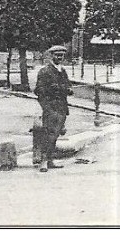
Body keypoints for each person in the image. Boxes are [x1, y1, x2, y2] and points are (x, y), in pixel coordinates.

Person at [34, 44, 72, 172]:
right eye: (57, 55)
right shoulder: (45, 71)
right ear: (51, 56)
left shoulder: (63, 71)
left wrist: (69, 90)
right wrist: (47, 108)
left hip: (62, 108)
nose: (59, 58)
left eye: (61, 55)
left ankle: (50, 160)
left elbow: (68, 85)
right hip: (51, 108)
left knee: (55, 135)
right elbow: (39, 92)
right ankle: (43, 161)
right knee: (48, 135)